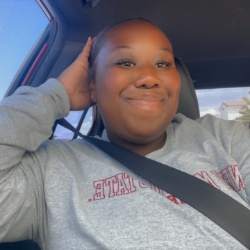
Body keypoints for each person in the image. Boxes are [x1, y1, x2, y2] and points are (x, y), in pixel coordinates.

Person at [0, 18, 249, 250]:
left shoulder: (225, 138)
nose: (150, 78)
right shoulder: (48, 170)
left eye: (163, 63)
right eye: (125, 63)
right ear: (93, 86)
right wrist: (56, 95)